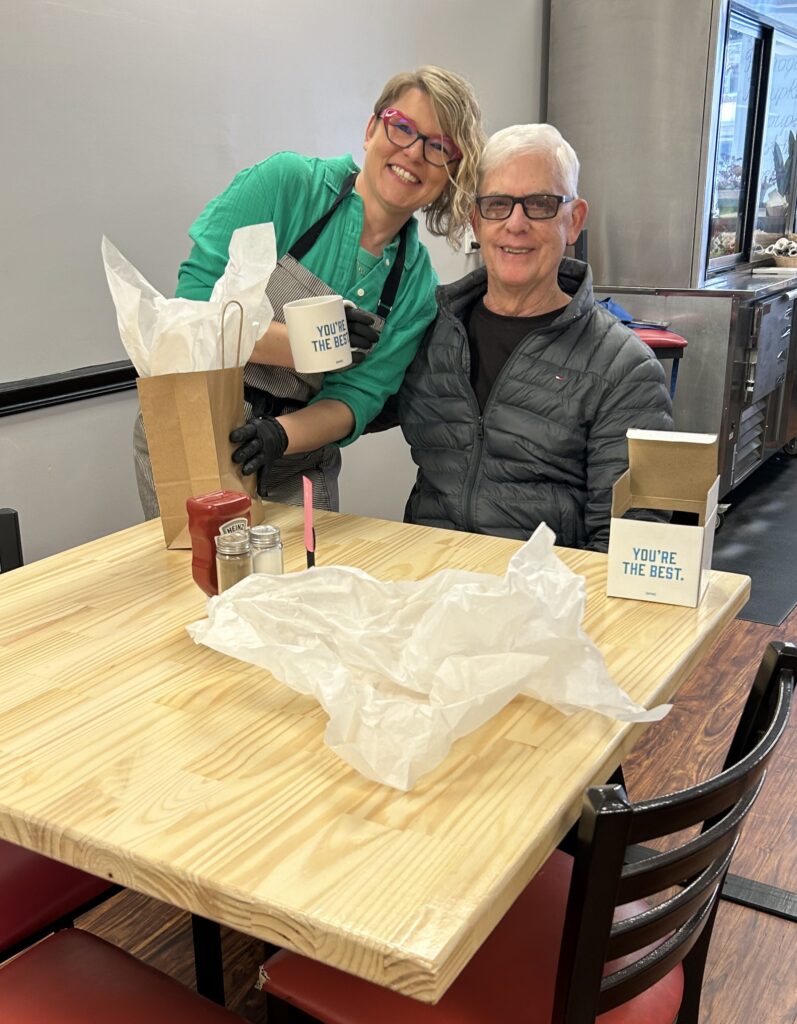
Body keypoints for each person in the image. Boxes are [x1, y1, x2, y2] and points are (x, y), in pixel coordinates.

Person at [134, 66, 485, 515]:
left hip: (297, 452)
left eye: (438, 147)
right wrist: (310, 342)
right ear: (372, 129)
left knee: (304, 582)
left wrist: (280, 435)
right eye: (402, 128)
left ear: (449, 173)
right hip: (195, 419)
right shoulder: (285, 186)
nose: (414, 152)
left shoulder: (415, 287)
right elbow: (189, 315)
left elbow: (353, 397)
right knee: (203, 579)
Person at [393, 123, 673, 552]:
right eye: (498, 204)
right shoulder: (429, 331)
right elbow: (353, 404)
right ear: (476, 220)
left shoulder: (624, 369)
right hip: (430, 585)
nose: (515, 223)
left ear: (573, 220)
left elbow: (628, 545)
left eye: (540, 204)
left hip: (545, 603)